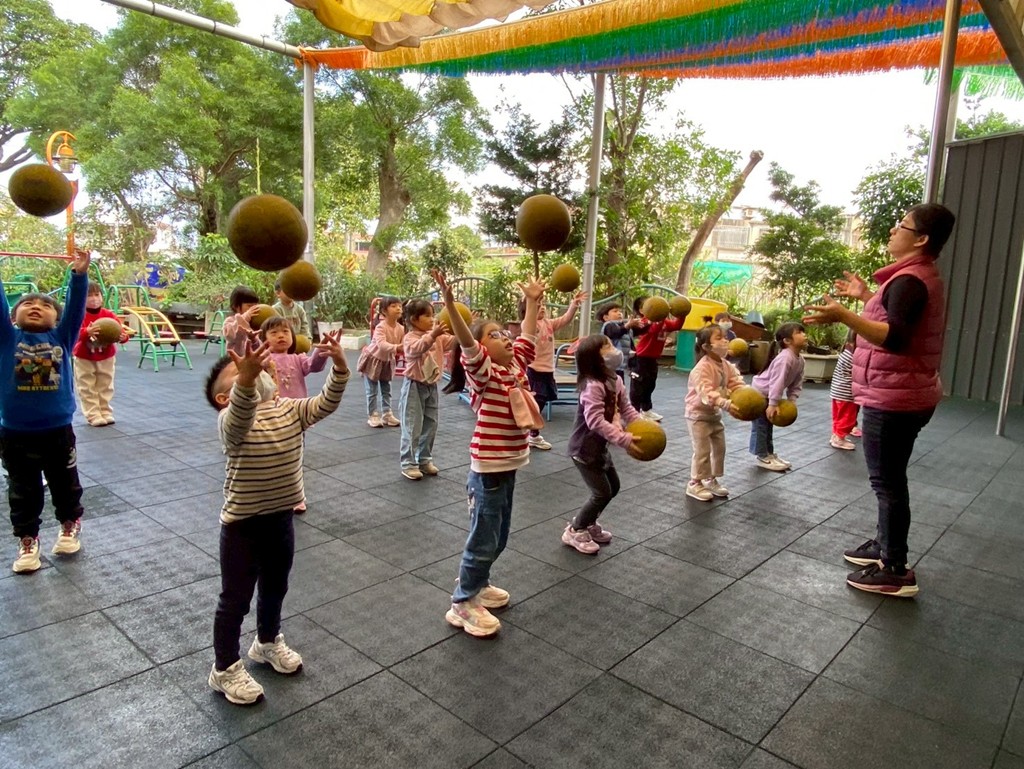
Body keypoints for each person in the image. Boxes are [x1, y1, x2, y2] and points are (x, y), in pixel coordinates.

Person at [805, 203, 955, 598]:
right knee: (889, 480)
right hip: (903, 391)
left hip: (895, 398)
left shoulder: (910, 281)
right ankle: (885, 545)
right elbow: (899, 317)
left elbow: (897, 338)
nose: (893, 230)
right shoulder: (912, 278)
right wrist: (866, 295)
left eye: (902, 225)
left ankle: (894, 569)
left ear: (921, 239)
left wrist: (845, 315)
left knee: (887, 483)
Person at [203, 331, 350, 705]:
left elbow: (326, 403)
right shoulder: (230, 420)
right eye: (240, 373)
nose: (256, 370)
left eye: (261, 368)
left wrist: (339, 366)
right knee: (235, 599)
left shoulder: (290, 409)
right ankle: (224, 668)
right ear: (224, 398)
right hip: (242, 526)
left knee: (275, 587)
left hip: (281, 519)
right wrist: (247, 380)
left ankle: (266, 642)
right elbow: (241, 413)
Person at [437, 268, 543, 637]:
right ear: (482, 349)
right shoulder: (484, 373)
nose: (505, 338)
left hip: (508, 465)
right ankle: (463, 602)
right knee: (483, 539)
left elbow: (527, 334)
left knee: (499, 537)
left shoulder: (515, 366)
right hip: (487, 470)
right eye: (493, 335)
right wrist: (451, 306)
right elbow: (467, 343)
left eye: (504, 333)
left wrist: (532, 301)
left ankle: (478, 583)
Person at [1, 249, 90, 573]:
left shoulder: (62, 337)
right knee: (22, 491)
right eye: (28, 303)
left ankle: (69, 524)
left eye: (45, 305)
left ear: (56, 318)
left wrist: (79, 276)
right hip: (15, 433)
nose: (36, 306)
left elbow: (76, 310)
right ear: (14, 316)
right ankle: (28, 540)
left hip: (57, 431)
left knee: (65, 483)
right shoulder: (6, 339)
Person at [561, 334, 641, 554]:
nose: (613, 349)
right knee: (601, 493)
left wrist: (641, 425)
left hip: (600, 448)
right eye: (606, 347)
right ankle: (575, 529)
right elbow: (595, 421)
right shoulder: (592, 385)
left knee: (613, 487)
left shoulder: (615, 379)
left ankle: (588, 522)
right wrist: (623, 439)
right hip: (583, 449)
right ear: (594, 357)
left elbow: (626, 408)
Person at [260, 315, 330, 513]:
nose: (280, 336)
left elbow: (314, 365)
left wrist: (321, 350)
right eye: (274, 333)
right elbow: (254, 360)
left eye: (285, 332)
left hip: (296, 416)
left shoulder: (298, 358)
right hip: (273, 416)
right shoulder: (265, 360)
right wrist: (253, 342)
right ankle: (272, 494)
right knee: (272, 457)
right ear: (264, 339)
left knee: (296, 458)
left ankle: (296, 496)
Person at [684, 324, 745, 501]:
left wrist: (745, 395)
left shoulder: (726, 365)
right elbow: (706, 392)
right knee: (702, 450)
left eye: (725, 337)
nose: (725, 341)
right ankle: (694, 483)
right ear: (706, 346)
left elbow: (735, 382)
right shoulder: (701, 368)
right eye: (719, 338)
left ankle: (710, 479)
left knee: (719, 448)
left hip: (714, 414)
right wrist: (724, 403)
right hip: (697, 415)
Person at [521, 289, 587, 450]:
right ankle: (531, 434)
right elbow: (528, 324)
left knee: (541, 401)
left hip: (548, 370)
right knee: (537, 402)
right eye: (538, 305)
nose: (542, 307)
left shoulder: (548, 323)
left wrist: (574, 304)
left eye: (543, 304)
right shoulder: (529, 325)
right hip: (534, 370)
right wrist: (532, 301)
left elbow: (565, 319)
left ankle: (530, 433)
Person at [398, 299, 453, 480]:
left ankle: (424, 459)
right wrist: (433, 335)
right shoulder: (410, 338)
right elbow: (417, 349)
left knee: (431, 424)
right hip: (414, 386)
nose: (432, 319)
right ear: (414, 319)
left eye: (433, 314)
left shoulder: (437, 336)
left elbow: (454, 341)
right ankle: (408, 463)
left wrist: (465, 326)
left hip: (431, 386)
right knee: (412, 425)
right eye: (427, 315)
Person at [749, 322, 807, 472]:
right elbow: (777, 382)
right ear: (787, 341)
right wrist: (773, 404)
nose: (804, 335)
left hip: (769, 394)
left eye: (803, 332)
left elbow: (797, 383)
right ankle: (762, 456)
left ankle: (769, 453)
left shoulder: (800, 359)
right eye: (799, 333)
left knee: (769, 425)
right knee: (761, 426)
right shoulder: (785, 358)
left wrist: (791, 401)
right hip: (759, 394)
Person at [73, 281, 130, 426]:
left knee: (105, 384)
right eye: (89, 295)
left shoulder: (108, 315)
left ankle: (105, 411)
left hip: (106, 356)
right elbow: (74, 334)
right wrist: (86, 332)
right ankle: (93, 414)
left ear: (101, 296)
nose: (94, 299)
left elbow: (120, 332)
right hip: (84, 356)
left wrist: (123, 337)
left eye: (96, 294)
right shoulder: (79, 315)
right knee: (87, 385)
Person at [629, 296, 684, 421]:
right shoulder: (643, 322)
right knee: (638, 386)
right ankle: (634, 412)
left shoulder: (664, 322)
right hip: (641, 358)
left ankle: (646, 410)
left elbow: (677, 326)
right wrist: (661, 315)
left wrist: (682, 314)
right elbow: (654, 330)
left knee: (650, 385)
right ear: (642, 310)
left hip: (653, 359)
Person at [360, 296, 404, 428]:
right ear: (384, 311)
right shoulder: (381, 327)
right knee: (372, 390)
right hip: (373, 360)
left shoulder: (401, 328)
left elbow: (403, 344)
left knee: (386, 389)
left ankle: (387, 414)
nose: (398, 308)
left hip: (387, 361)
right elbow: (381, 344)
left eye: (399, 306)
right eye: (393, 306)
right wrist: (397, 347)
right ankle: (373, 415)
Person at [829, 328, 859, 450]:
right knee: (847, 417)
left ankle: (836, 435)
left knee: (838, 416)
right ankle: (839, 438)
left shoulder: (845, 352)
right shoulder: (854, 356)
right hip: (846, 393)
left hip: (837, 391)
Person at [598, 302, 642, 384]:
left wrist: (649, 322)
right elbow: (615, 333)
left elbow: (635, 333)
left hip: (620, 364)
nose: (619, 313)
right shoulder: (608, 325)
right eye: (615, 311)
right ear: (606, 317)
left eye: (620, 311)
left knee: (620, 383)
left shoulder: (625, 327)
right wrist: (627, 326)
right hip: (610, 364)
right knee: (612, 384)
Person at [222, 285, 261, 356]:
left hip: (253, 360)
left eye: (256, 305)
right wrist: (246, 317)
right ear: (236, 306)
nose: (253, 309)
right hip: (235, 360)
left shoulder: (256, 323)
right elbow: (230, 335)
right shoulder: (230, 321)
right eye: (249, 306)